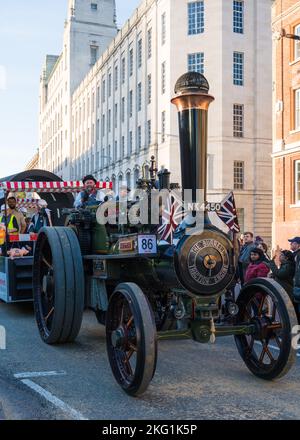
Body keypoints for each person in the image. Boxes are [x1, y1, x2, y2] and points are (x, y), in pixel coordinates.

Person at [288, 237, 300, 309]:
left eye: (292, 243)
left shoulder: (297, 255)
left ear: (298, 244)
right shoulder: (295, 254)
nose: (290, 244)